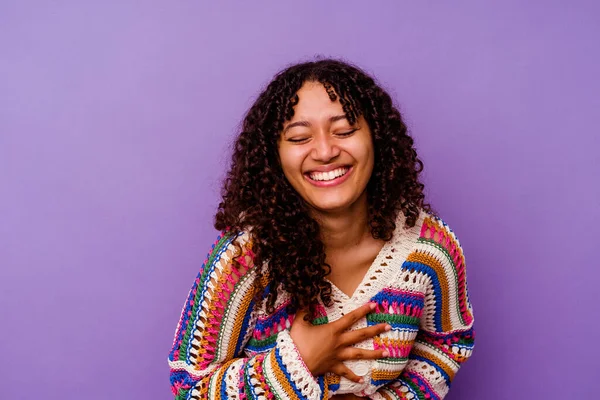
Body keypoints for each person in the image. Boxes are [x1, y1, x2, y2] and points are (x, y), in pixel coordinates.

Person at [168, 59, 475, 400]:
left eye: (344, 131)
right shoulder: (245, 261)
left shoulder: (429, 250)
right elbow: (189, 390)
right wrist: (298, 362)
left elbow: (447, 345)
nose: (326, 151)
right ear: (275, 157)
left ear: (377, 139)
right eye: (300, 137)